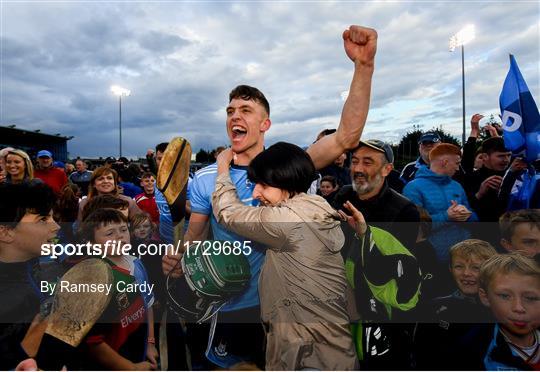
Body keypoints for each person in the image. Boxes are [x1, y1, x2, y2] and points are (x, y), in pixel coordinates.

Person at [163, 24, 377, 369]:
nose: (235, 116)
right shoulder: (205, 180)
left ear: (265, 124)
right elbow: (195, 242)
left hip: (291, 314)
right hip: (231, 308)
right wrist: (178, 263)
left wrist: (363, 67)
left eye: (245, 110)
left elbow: (346, 136)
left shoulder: (289, 170)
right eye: (230, 111)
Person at [212, 144, 356, 370]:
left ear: (287, 182)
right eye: (254, 184)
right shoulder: (315, 207)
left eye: (264, 185)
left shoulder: (288, 222)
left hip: (307, 354)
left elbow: (228, 213)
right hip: (330, 350)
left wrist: (222, 166)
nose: (255, 193)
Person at [78, 208, 158, 370]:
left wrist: (150, 342)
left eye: (123, 230)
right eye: (109, 233)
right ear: (92, 244)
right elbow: (93, 343)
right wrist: (130, 368)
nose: (120, 236)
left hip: (139, 350)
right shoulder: (95, 279)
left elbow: (147, 305)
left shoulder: (137, 263)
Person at [0, 182, 62, 370]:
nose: (57, 226)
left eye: (52, 217)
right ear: (6, 232)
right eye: (43, 219)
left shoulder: (44, 268)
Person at [414, 239, 497, 369]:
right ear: (450, 269)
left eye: (476, 268)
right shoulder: (434, 308)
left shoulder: (502, 312)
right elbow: (422, 356)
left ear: (491, 271)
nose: (466, 273)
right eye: (459, 266)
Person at [332, 139, 420, 251]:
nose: (358, 169)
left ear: (386, 170)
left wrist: (365, 235)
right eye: (354, 162)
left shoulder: (405, 211)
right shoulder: (344, 194)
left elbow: (400, 260)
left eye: (367, 163)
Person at [460, 253, 540, 370]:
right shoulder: (471, 349)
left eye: (530, 298)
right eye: (505, 296)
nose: (518, 307)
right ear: (485, 297)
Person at [403, 143, 477, 264]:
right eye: (457, 163)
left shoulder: (456, 186)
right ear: (445, 162)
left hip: (464, 258)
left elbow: (475, 218)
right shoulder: (413, 188)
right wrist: (447, 216)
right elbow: (413, 227)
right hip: (432, 260)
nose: (458, 168)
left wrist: (467, 215)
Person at [465, 137, 511, 223]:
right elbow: (463, 210)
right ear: (485, 156)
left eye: (509, 155)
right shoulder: (470, 178)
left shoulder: (514, 177)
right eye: (501, 156)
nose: (506, 160)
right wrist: (479, 194)